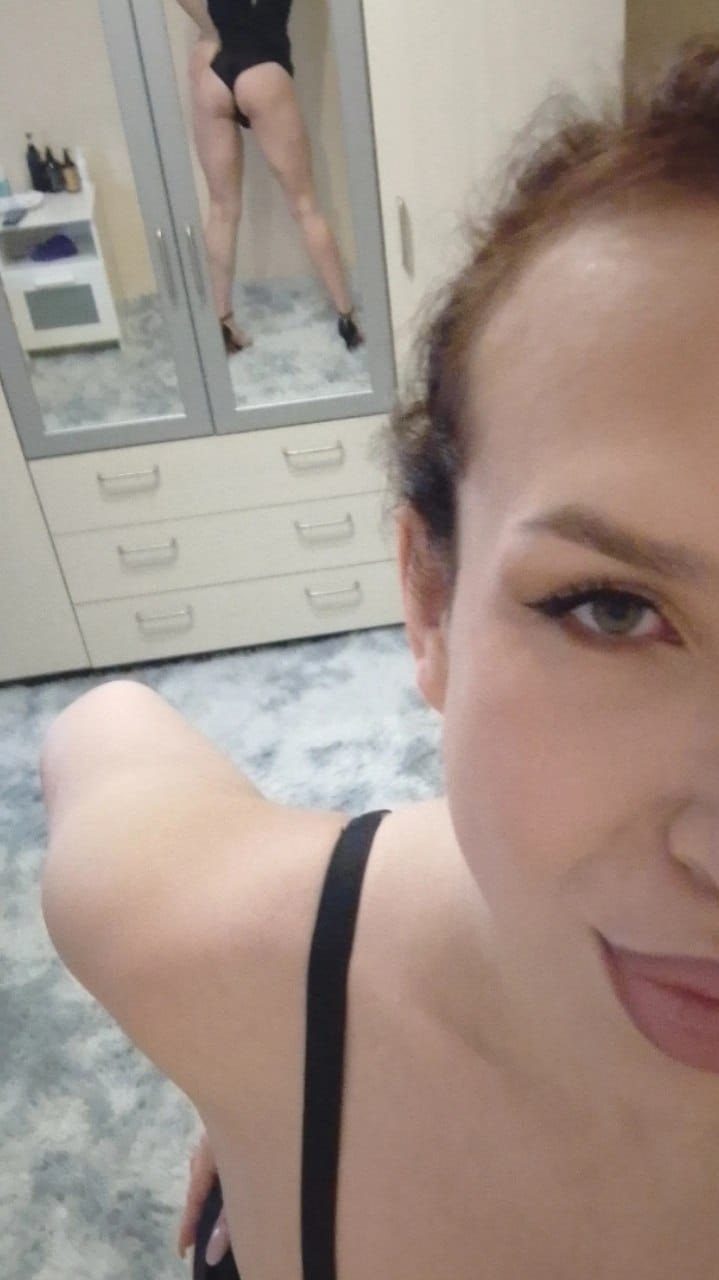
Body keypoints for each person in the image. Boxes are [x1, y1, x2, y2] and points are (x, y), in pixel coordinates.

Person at [40, 37, 719, 1280]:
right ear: (428, 599)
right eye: (614, 608)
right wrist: (265, 1057)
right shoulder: (207, 944)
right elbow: (105, 724)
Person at [173, 0, 363, 354]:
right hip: (263, 69)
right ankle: (347, 319)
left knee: (221, 209)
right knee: (305, 206)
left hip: (214, 73)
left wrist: (210, 29)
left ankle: (222, 321)